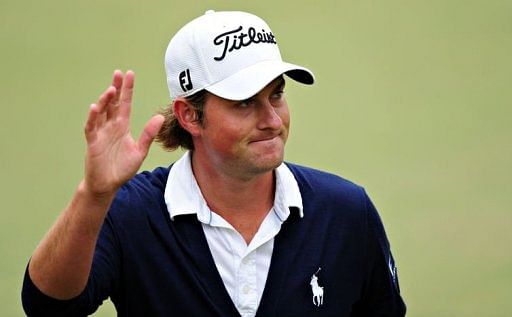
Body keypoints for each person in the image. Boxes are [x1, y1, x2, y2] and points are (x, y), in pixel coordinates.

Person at [22, 10, 406, 317]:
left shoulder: (346, 212)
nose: (272, 120)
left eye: (276, 95)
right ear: (189, 115)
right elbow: (48, 307)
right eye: (244, 103)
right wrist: (94, 194)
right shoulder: (130, 214)